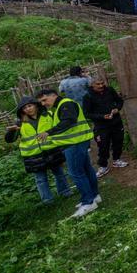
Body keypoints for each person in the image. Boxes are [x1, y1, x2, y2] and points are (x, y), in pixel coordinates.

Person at [37, 88, 100, 218]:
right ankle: (94, 196)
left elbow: (69, 121)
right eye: (41, 102)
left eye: (44, 100)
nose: (43, 104)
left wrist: (49, 132)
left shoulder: (65, 104)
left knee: (76, 173)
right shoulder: (60, 106)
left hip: (74, 144)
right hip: (76, 142)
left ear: (54, 95)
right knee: (86, 170)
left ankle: (88, 202)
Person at [4, 97, 72, 204]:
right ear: (22, 111)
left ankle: (65, 192)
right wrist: (12, 132)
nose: (28, 109)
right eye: (25, 108)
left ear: (36, 105)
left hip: (51, 150)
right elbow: (9, 140)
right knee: (41, 179)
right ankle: (47, 200)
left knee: (59, 173)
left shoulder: (48, 115)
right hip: (33, 156)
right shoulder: (20, 123)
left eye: (30, 106)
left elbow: (57, 129)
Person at [84, 77, 127, 176]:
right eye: (98, 84)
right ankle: (103, 166)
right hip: (101, 126)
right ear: (92, 85)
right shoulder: (88, 96)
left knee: (118, 141)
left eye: (102, 83)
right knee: (103, 145)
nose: (101, 86)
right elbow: (87, 113)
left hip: (116, 122)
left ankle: (117, 159)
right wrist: (102, 116)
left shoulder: (110, 90)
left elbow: (120, 101)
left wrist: (117, 108)